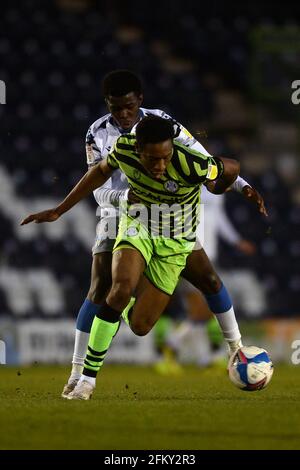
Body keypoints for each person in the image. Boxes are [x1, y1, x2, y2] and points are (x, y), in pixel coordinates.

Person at [21, 116, 256, 400]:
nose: (159, 166)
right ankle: (86, 380)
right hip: (139, 225)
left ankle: (137, 296)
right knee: (117, 290)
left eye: (165, 157)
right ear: (138, 148)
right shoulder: (124, 148)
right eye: (152, 159)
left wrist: (224, 185)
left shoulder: (193, 163)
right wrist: (60, 209)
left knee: (141, 326)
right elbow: (98, 173)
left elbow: (231, 167)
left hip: (177, 242)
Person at [61, 70, 266, 396]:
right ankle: (79, 373)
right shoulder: (97, 133)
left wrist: (242, 187)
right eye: (116, 109)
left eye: (128, 107)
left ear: (140, 101)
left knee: (204, 282)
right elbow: (97, 184)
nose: (123, 114)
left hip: (173, 218)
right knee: (102, 289)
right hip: (121, 213)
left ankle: (231, 349)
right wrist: (122, 197)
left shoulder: (163, 125)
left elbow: (205, 158)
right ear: (108, 106)